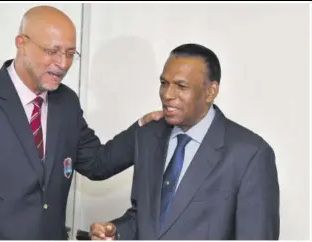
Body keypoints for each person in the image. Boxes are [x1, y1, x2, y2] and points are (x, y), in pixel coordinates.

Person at [0, 6, 163, 240]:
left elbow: (97, 163)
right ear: (21, 44)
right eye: (52, 51)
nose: (63, 64)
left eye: (69, 54)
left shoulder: (66, 103)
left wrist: (141, 129)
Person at [89, 43, 280, 240]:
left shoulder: (250, 154)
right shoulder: (148, 136)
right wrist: (116, 233)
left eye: (181, 86)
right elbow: (146, 219)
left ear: (210, 92)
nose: (167, 95)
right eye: (164, 83)